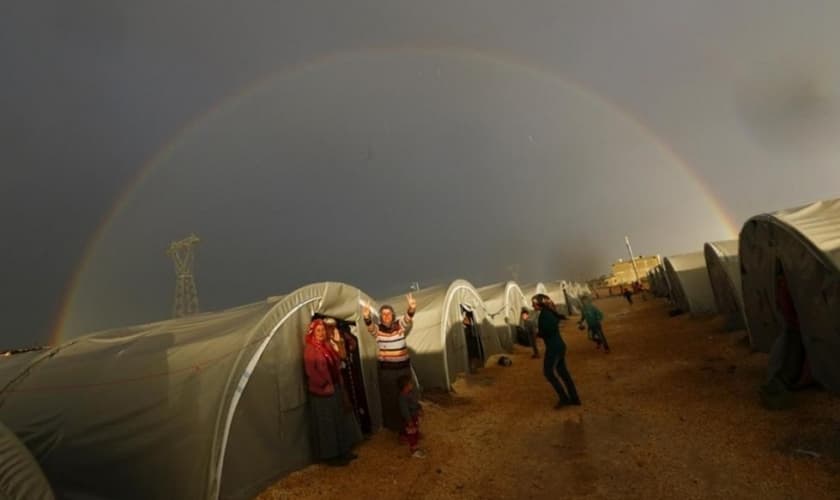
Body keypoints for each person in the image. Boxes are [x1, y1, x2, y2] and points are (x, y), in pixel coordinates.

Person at [303, 319, 361, 466]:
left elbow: (340, 358)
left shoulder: (327, 346)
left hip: (335, 387)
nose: (321, 333)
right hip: (322, 392)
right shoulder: (310, 349)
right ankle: (331, 455)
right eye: (318, 330)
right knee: (327, 424)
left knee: (339, 420)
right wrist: (324, 384)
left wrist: (338, 341)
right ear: (313, 332)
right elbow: (311, 371)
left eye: (323, 330)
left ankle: (343, 450)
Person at [364, 294, 417, 432]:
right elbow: (370, 327)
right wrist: (367, 317)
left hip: (403, 369)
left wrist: (411, 308)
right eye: (383, 314)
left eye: (388, 313)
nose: (386, 316)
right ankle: (396, 428)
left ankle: (412, 424)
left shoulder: (399, 326)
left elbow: (408, 318)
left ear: (393, 315)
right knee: (391, 399)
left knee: (407, 397)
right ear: (380, 317)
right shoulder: (378, 330)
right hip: (388, 372)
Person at [532, 294, 581, 408]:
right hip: (559, 346)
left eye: (534, 303)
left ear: (540, 303)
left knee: (548, 372)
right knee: (563, 372)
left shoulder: (544, 315)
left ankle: (564, 398)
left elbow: (548, 330)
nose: (532, 306)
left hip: (553, 348)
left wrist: (538, 334)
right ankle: (574, 398)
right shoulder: (549, 313)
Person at [398, 374, 426, 458]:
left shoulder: (410, 394)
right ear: (405, 386)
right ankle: (414, 450)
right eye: (410, 384)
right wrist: (409, 420)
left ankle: (416, 446)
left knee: (415, 430)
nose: (412, 385)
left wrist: (419, 409)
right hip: (409, 419)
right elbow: (404, 411)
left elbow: (415, 403)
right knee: (412, 434)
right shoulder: (402, 398)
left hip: (414, 416)